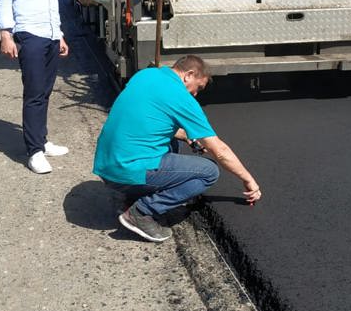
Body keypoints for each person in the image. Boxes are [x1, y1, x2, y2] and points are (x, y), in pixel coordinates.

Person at [93, 55, 262, 243]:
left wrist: (185, 135)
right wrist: (249, 180)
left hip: (106, 165)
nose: (196, 94)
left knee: (174, 141)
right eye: (198, 87)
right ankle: (141, 211)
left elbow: (145, 118)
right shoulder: (182, 97)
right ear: (189, 75)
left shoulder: (147, 75)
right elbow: (220, 150)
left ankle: (131, 196)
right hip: (126, 171)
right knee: (209, 171)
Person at [0, 0, 70, 175]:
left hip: (50, 34)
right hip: (29, 34)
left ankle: (42, 140)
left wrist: (59, 34)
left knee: (45, 92)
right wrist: (6, 33)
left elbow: (51, 1)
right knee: (34, 93)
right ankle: (34, 151)